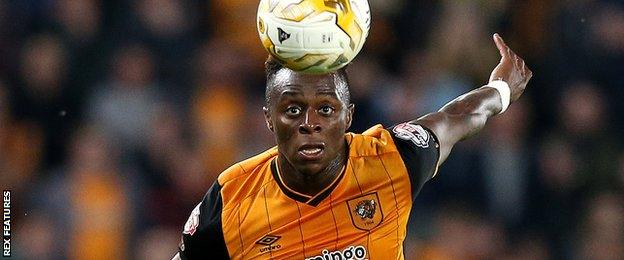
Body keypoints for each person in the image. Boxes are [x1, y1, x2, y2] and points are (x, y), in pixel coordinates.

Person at [172, 34, 532, 259]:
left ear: (348, 117)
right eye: (292, 109)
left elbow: (456, 118)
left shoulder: (390, 160)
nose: (309, 122)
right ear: (269, 118)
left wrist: (500, 90)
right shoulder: (231, 196)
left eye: (326, 109)